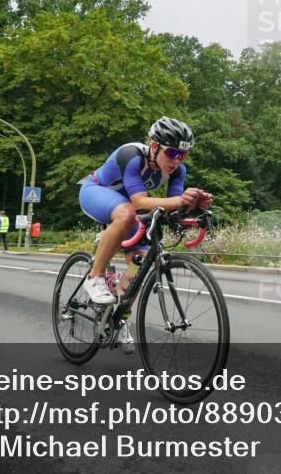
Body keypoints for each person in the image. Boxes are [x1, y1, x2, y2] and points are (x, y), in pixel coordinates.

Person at [79, 117, 213, 351]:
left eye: (184, 155)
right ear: (154, 146)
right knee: (126, 213)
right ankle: (95, 277)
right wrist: (180, 200)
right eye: (172, 153)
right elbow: (140, 201)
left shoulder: (177, 170)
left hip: (128, 209)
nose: (178, 160)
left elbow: (173, 207)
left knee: (137, 265)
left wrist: (194, 205)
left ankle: (119, 318)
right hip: (95, 192)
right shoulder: (131, 156)